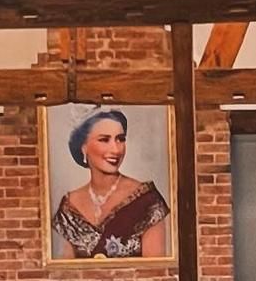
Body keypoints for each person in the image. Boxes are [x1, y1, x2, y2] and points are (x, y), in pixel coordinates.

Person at [52, 109, 170, 259]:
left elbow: (156, 273)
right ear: (84, 148)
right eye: (104, 139)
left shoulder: (148, 201)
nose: (116, 149)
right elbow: (64, 275)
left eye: (120, 139)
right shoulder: (69, 207)